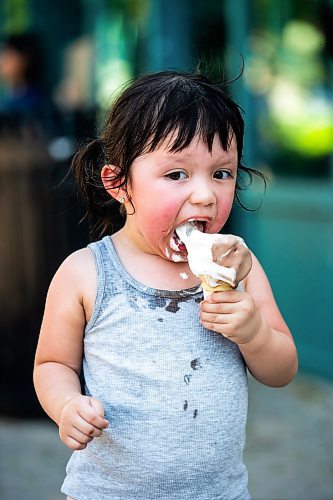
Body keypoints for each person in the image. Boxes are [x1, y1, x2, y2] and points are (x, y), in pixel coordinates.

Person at [33, 70, 298, 500]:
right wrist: (66, 405)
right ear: (118, 183)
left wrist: (254, 335)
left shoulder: (239, 268)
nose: (206, 195)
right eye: (177, 174)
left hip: (221, 493)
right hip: (105, 492)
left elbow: (283, 369)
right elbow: (52, 365)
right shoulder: (85, 273)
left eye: (222, 173)